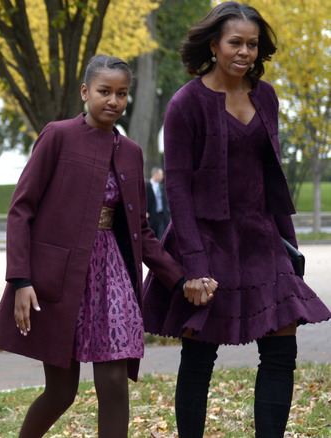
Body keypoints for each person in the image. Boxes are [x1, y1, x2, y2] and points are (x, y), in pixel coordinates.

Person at [141, 2, 331, 437]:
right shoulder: (185, 103)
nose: (245, 51)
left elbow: (272, 173)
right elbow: (177, 188)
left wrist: (291, 247)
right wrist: (194, 265)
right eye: (235, 43)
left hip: (261, 237)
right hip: (206, 242)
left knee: (282, 350)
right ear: (214, 45)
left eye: (252, 44)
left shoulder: (265, 96)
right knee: (200, 356)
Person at [0, 54, 198, 438]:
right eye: (104, 91)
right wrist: (20, 280)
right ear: (86, 92)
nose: (113, 101)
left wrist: (179, 279)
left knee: (114, 385)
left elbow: (141, 231)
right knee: (61, 392)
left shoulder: (131, 151)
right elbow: (21, 210)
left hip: (113, 275)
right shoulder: (58, 135)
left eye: (122, 93)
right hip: (61, 279)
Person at [145, 167, 170, 240]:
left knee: (161, 234)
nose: (162, 176)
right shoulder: (147, 186)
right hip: (152, 215)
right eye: (160, 174)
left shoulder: (162, 186)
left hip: (161, 214)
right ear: (155, 175)